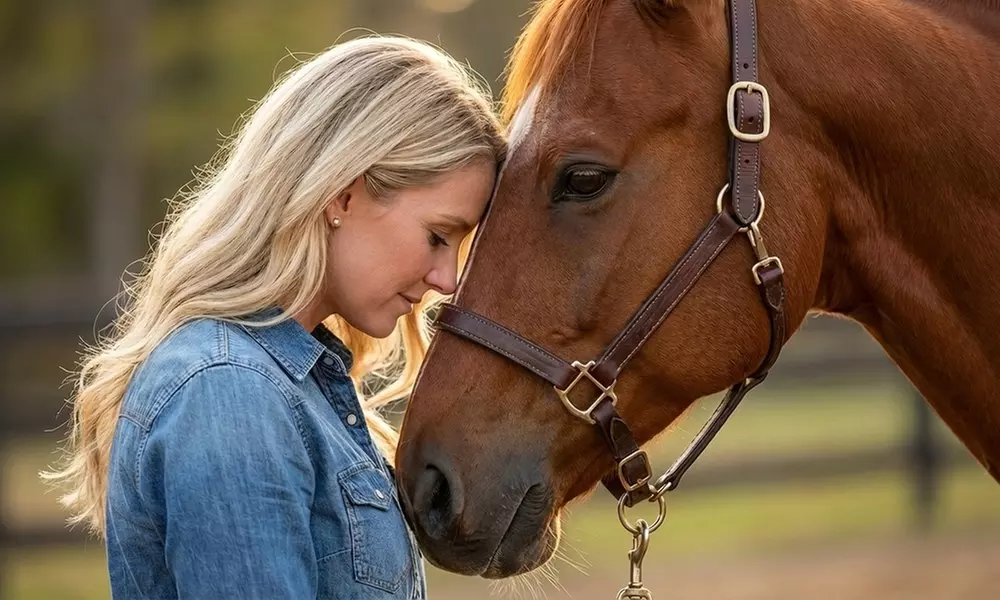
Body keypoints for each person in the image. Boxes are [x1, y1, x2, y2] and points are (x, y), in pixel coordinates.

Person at [43, 35, 506, 599]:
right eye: (437, 237)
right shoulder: (228, 390)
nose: (447, 279)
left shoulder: (290, 384)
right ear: (342, 196)